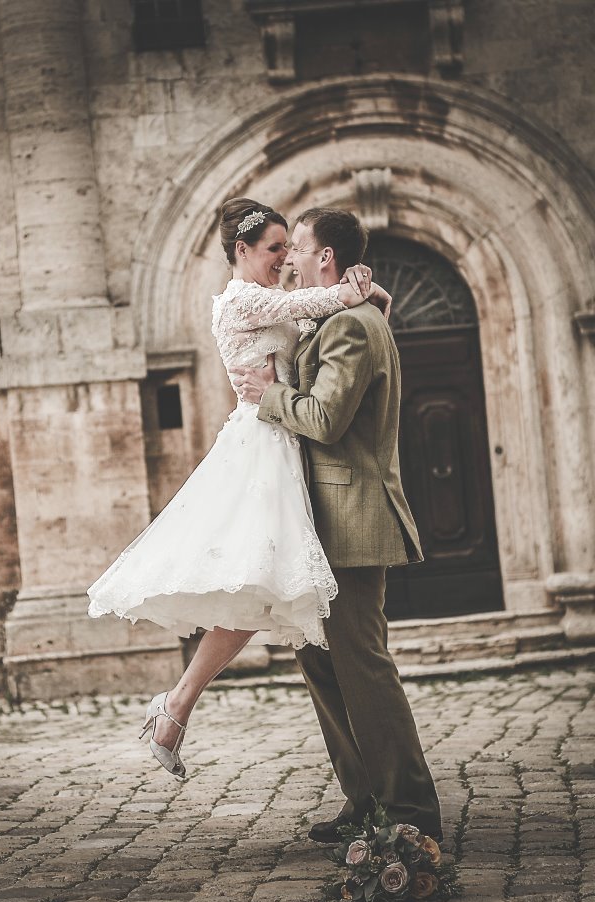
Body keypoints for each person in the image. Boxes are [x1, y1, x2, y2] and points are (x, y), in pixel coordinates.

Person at [88, 197, 389, 781]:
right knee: (256, 586)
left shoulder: (274, 299)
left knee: (259, 592)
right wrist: (351, 289)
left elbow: (317, 321)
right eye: (274, 249)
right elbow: (316, 303)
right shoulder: (241, 300)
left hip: (288, 438)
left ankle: (177, 705)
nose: (282, 259)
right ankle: (178, 702)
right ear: (242, 251)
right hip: (264, 447)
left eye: (287, 248)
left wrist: (363, 285)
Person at [230, 207, 443, 843]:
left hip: (350, 520)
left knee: (361, 663)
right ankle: (365, 799)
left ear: (325, 257)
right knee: (320, 662)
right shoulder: (340, 312)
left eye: (296, 245)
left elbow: (324, 420)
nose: (289, 257)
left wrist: (265, 394)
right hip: (318, 523)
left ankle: (408, 809)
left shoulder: (351, 326)